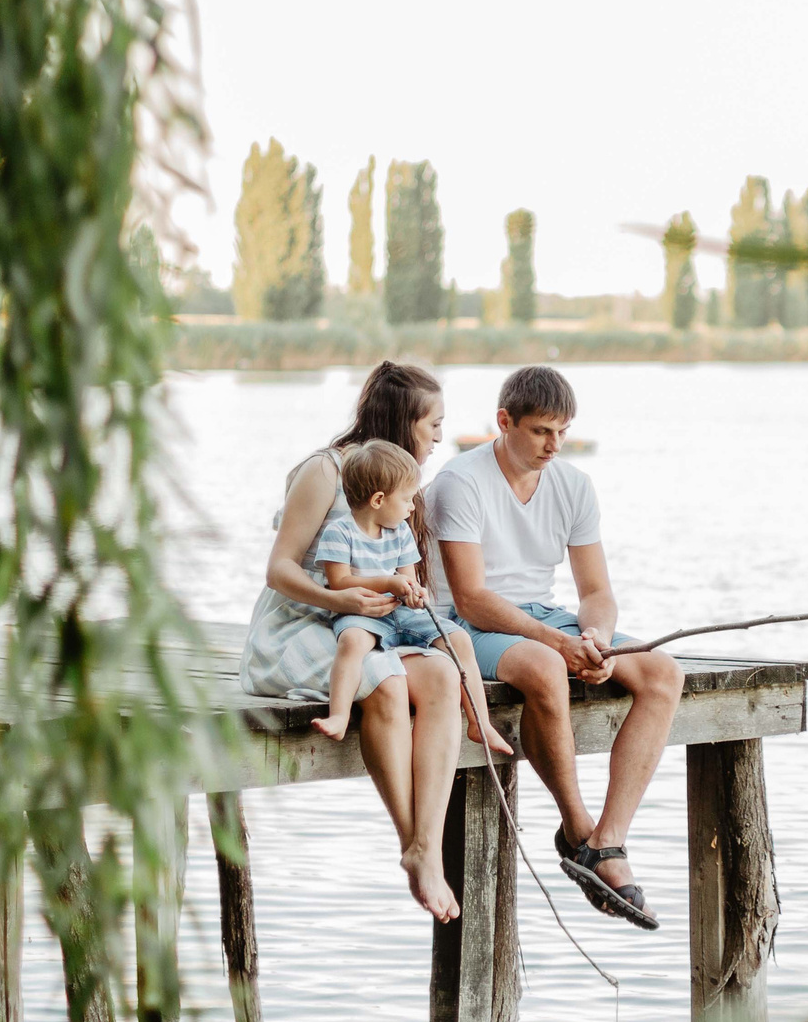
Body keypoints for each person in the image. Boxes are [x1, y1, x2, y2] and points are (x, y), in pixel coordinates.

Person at [243, 360, 505, 923]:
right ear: (402, 419)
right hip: (304, 623)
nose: (439, 437)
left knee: (440, 676)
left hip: (372, 623)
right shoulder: (327, 471)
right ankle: (412, 843)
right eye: (433, 424)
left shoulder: (400, 482)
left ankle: (425, 847)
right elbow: (279, 570)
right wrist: (341, 601)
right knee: (385, 684)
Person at [428, 365, 681, 929]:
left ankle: (607, 843)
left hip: (545, 617)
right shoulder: (459, 482)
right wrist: (557, 643)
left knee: (663, 672)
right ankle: (576, 828)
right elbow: (469, 598)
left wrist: (594, 639)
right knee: (545, 664)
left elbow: (595, 591)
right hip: (465, 628)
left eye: (563, 431)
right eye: (542, 430)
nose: (555, 444)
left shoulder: (573, 485)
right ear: (504, 421)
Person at [309, 440, 436, 743]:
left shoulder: (401, 531)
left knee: (457, 638)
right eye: (407, 499)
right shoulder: (339, 532)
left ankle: (479, 720)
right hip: (359, 612)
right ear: (378, 500)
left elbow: (408, 580)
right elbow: (339, 581)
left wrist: (414, 594)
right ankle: (338, 715)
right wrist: (388, 583)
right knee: (351, 643)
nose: (412, 506)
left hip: (397, 612)